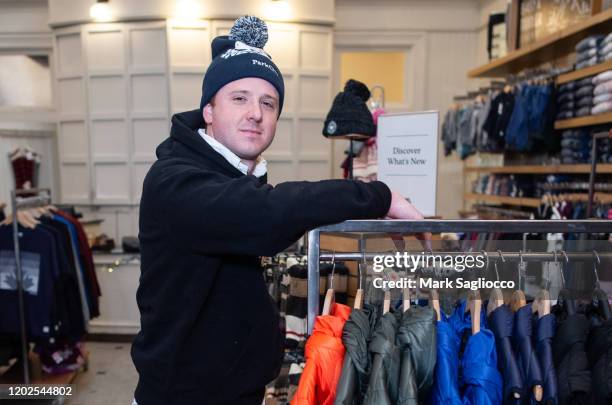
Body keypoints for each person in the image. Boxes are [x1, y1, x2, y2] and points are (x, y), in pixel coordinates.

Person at [131, 16, 428, 405]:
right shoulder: (175, 180)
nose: (255, 112)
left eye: (267, 103)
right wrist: (380, 197)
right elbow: (266, 214)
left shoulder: (230, 175)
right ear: (208, 110)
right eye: (239, 98)